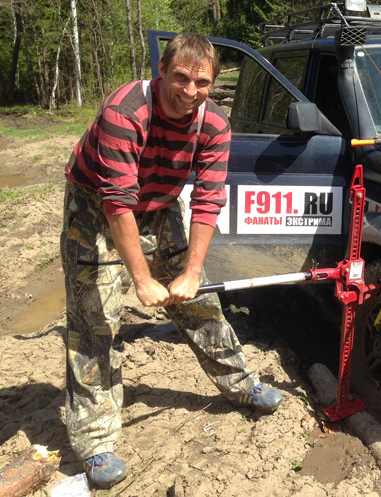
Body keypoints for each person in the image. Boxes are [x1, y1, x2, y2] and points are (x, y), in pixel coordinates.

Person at [60, 33, 283, 489]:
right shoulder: (125, 112)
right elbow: (116, 202)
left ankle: (241, 384)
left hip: (160, 203)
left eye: (201, 81)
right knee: (94, 316)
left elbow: (208, 200)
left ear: (212, 84)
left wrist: (191, 272)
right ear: (162, 70)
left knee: (197, 300)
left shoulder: (214, 125)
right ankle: (95, 441)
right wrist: (141, 279)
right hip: (96, 205)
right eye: (180, 77)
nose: (189, 90)